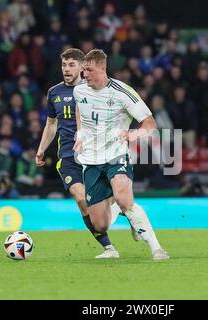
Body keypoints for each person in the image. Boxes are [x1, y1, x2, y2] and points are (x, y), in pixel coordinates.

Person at [35, 48, 136, 259]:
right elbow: (51, 124)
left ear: (82, 67)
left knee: (104, 200)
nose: (66, 69)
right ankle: (109, 248)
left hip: (96, 154)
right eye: (64, 65)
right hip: (69, 156)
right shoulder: (54, 92)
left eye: (71, 64)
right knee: (81, 199)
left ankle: (126, 210)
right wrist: (42, 148)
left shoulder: (94, 89)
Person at [73, 49, 169, 260]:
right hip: (90, 160)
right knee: (100, 224)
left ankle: (157, 249)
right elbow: (80, 110)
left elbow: (150, 123)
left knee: (125, 198)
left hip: (116, 155)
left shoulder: (123, 92)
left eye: (88, 70)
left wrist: (136, 133)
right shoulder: (79, 91)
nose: (84, 74)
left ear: (102, 68)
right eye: (83, 70)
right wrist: (79, 134)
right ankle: (123, 210)